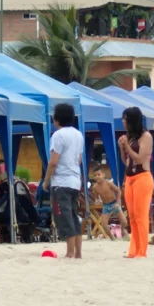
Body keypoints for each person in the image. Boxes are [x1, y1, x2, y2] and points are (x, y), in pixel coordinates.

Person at [44, 103, 85, 259]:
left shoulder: (58, 136)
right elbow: (79, 159)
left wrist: (46, 181)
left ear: (56, 119)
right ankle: (78, 253)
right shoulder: (78, 135)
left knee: (64, 216)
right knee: (74, 215)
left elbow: (53, 162)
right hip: (75, 180)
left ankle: (69, 252)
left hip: (61, 181)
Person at [120, 107, 154, 259]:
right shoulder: (131, 137)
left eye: (125, 118)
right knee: (132, 216)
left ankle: (142, 251)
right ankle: (133, 250)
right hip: (130, 178)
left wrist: (127, 145)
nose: (123, 121)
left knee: (141, 216)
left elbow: (140, 159)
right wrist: (122, 148)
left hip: (142, 177)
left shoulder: (146, 136)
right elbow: (126, 161)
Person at [90, 167, 128, 237]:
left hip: (114, 203)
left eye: (99, 174)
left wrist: (118, 201)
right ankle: (112, 237)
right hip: (106, 206)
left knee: (124, 222)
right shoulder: (95, 187)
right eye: (95, 175)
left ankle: (122, 229)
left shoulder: (108, 183)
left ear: (103, 175)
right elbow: (96, 197)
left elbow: (118, 191)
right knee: (104, 225)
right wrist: (97, 200)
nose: (97, 177)